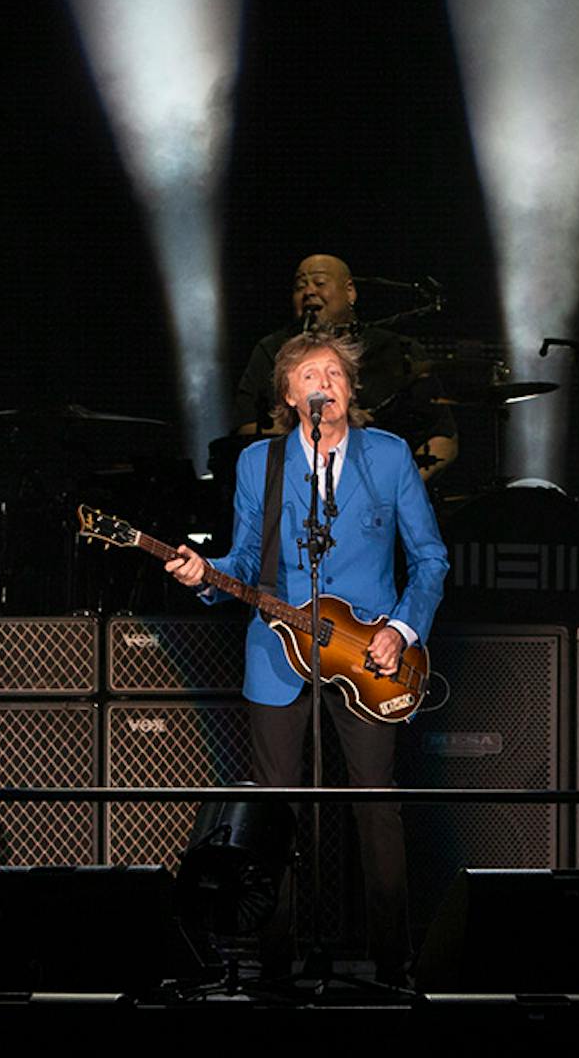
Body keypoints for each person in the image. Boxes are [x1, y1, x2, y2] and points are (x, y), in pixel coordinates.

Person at [168, 331, 449, 979]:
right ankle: (274, 962)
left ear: (350, 389)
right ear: (291, 395)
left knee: (376, 803)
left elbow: (430, 557)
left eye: (336, 373)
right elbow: (242, 562)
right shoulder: (258, 464)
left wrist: (402, 630)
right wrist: (201, 572)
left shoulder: (389, 455)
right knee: (274, 809)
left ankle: (391, 960)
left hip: (370, 657)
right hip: (277, 650)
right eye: (310, 375)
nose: (325, 382)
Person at [233, 253, 458, 481]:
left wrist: (406, 487)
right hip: (297, 491)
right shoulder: (272, 350)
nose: (309, 291)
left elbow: (443, 437)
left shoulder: (398, 350)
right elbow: (247, 429)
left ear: (350, 291)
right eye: (300, 286)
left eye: (319, 283)